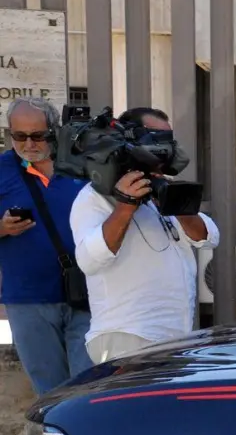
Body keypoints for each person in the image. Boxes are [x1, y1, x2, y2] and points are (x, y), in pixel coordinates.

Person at [69, 107, 220, 363]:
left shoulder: (160, 188)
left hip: (175, 337)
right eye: (156, 138)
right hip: (126, 338)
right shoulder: (93, 198)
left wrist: (177, 205)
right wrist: (125, 205)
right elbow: (89, 260)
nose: (164, 148)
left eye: (168, 139)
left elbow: (208, 237)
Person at [0, 98, 93, 393]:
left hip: (89, 294)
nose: (29, 143)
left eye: (37, 135)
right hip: (29, 300)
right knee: (51, 393)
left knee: (88, 388)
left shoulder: (82, 165)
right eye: (19, 136)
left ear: (55, 131)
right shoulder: (2, 169)